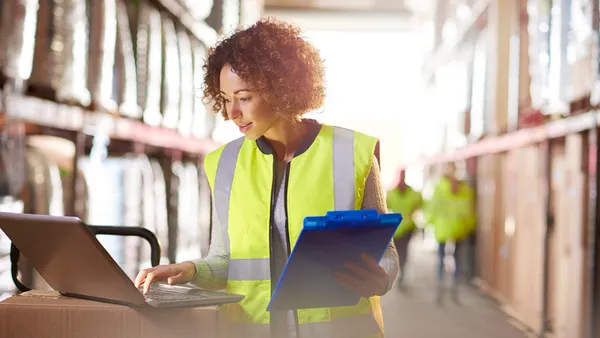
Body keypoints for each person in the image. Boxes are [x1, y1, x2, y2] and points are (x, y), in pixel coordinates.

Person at [134, 18, 399, 338]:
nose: (231, 112)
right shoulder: (223, 164)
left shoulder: (353, 152)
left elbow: (385, 255)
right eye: (226, 98)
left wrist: (380, 278)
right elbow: (224, 263)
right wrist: (189, 270)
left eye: (243, 97)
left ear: (281, 88)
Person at [424, 162, 476, 305]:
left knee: (445, 259)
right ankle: (450, 286)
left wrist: (429, 222)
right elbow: (469, 210)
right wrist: (469, 226)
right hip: (457, 229)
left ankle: (444, 286)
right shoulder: (463, 188)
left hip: (446, 228)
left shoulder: (440, 187)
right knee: (453, 259)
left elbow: (432, 207)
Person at [385, 169, 423, 289]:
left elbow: (420, 204)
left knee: (404, 252)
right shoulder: (391, 193)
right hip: (395, 229)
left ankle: (402, 274)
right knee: (396, 252)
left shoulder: (413, 193)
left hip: (407, 228)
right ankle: (396, 275)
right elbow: (384, 207)